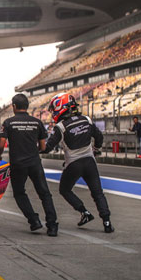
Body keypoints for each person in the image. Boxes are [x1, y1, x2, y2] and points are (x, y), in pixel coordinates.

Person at [42, 93, 114, 233]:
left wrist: (34, 148)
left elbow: (48, 147)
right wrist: (96, 149)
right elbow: (99, 136)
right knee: (98, 193)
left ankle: (84, 212)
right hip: (90, 161)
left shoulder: (60, 127)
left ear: (61, 106)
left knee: (64, 190)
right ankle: (107, 223)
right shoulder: (86, 119)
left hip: (73, 164)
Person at [0, 93, 58, 236]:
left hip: (18, 164)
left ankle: (34, 220)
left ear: (14, 106)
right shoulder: (37, 122)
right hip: (35, 163)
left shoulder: (8, 122)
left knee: (19, 193)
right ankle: (52, 226)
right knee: (44, 193)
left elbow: (1, 144)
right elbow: (42, 147)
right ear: (27, 106)